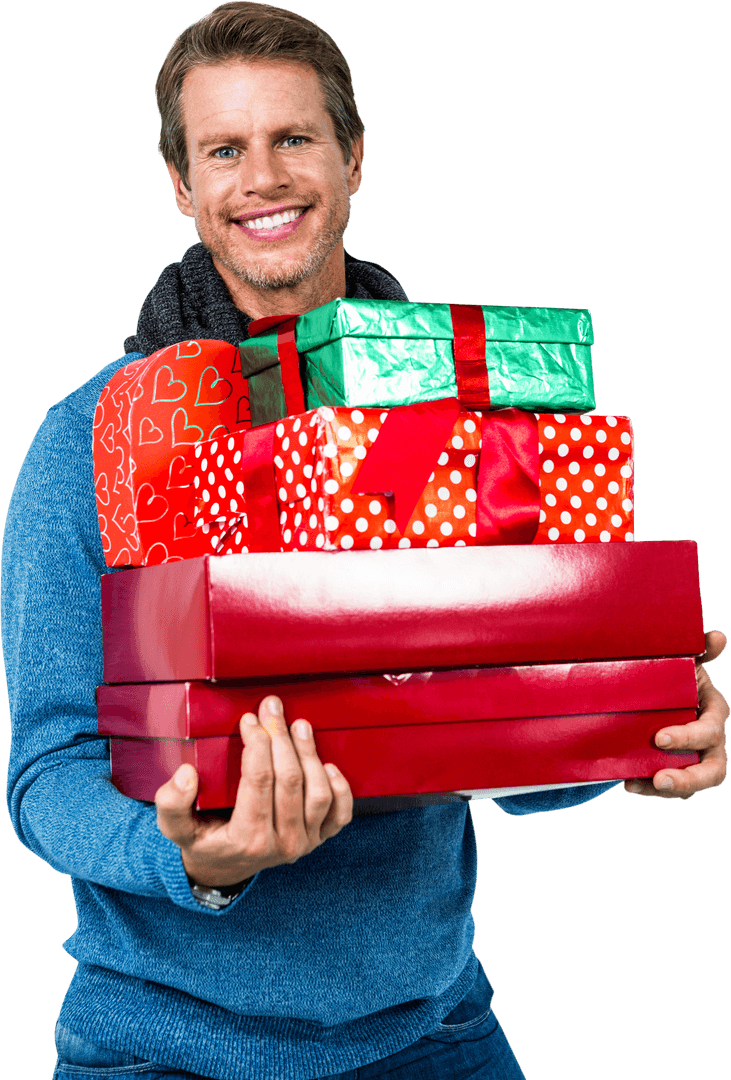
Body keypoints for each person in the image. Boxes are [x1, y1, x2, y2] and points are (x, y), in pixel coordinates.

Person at [2, 4, 727, 1079]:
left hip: (433, 1032)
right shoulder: (92, 437)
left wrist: (623, 722)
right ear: (181, 185)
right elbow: (45, 770)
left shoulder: (479, 417)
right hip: (166, 1048)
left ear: (350, 160)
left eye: (293, 139)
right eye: (223, 149)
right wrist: (192, 856)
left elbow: (481, 723)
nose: (262, 177)